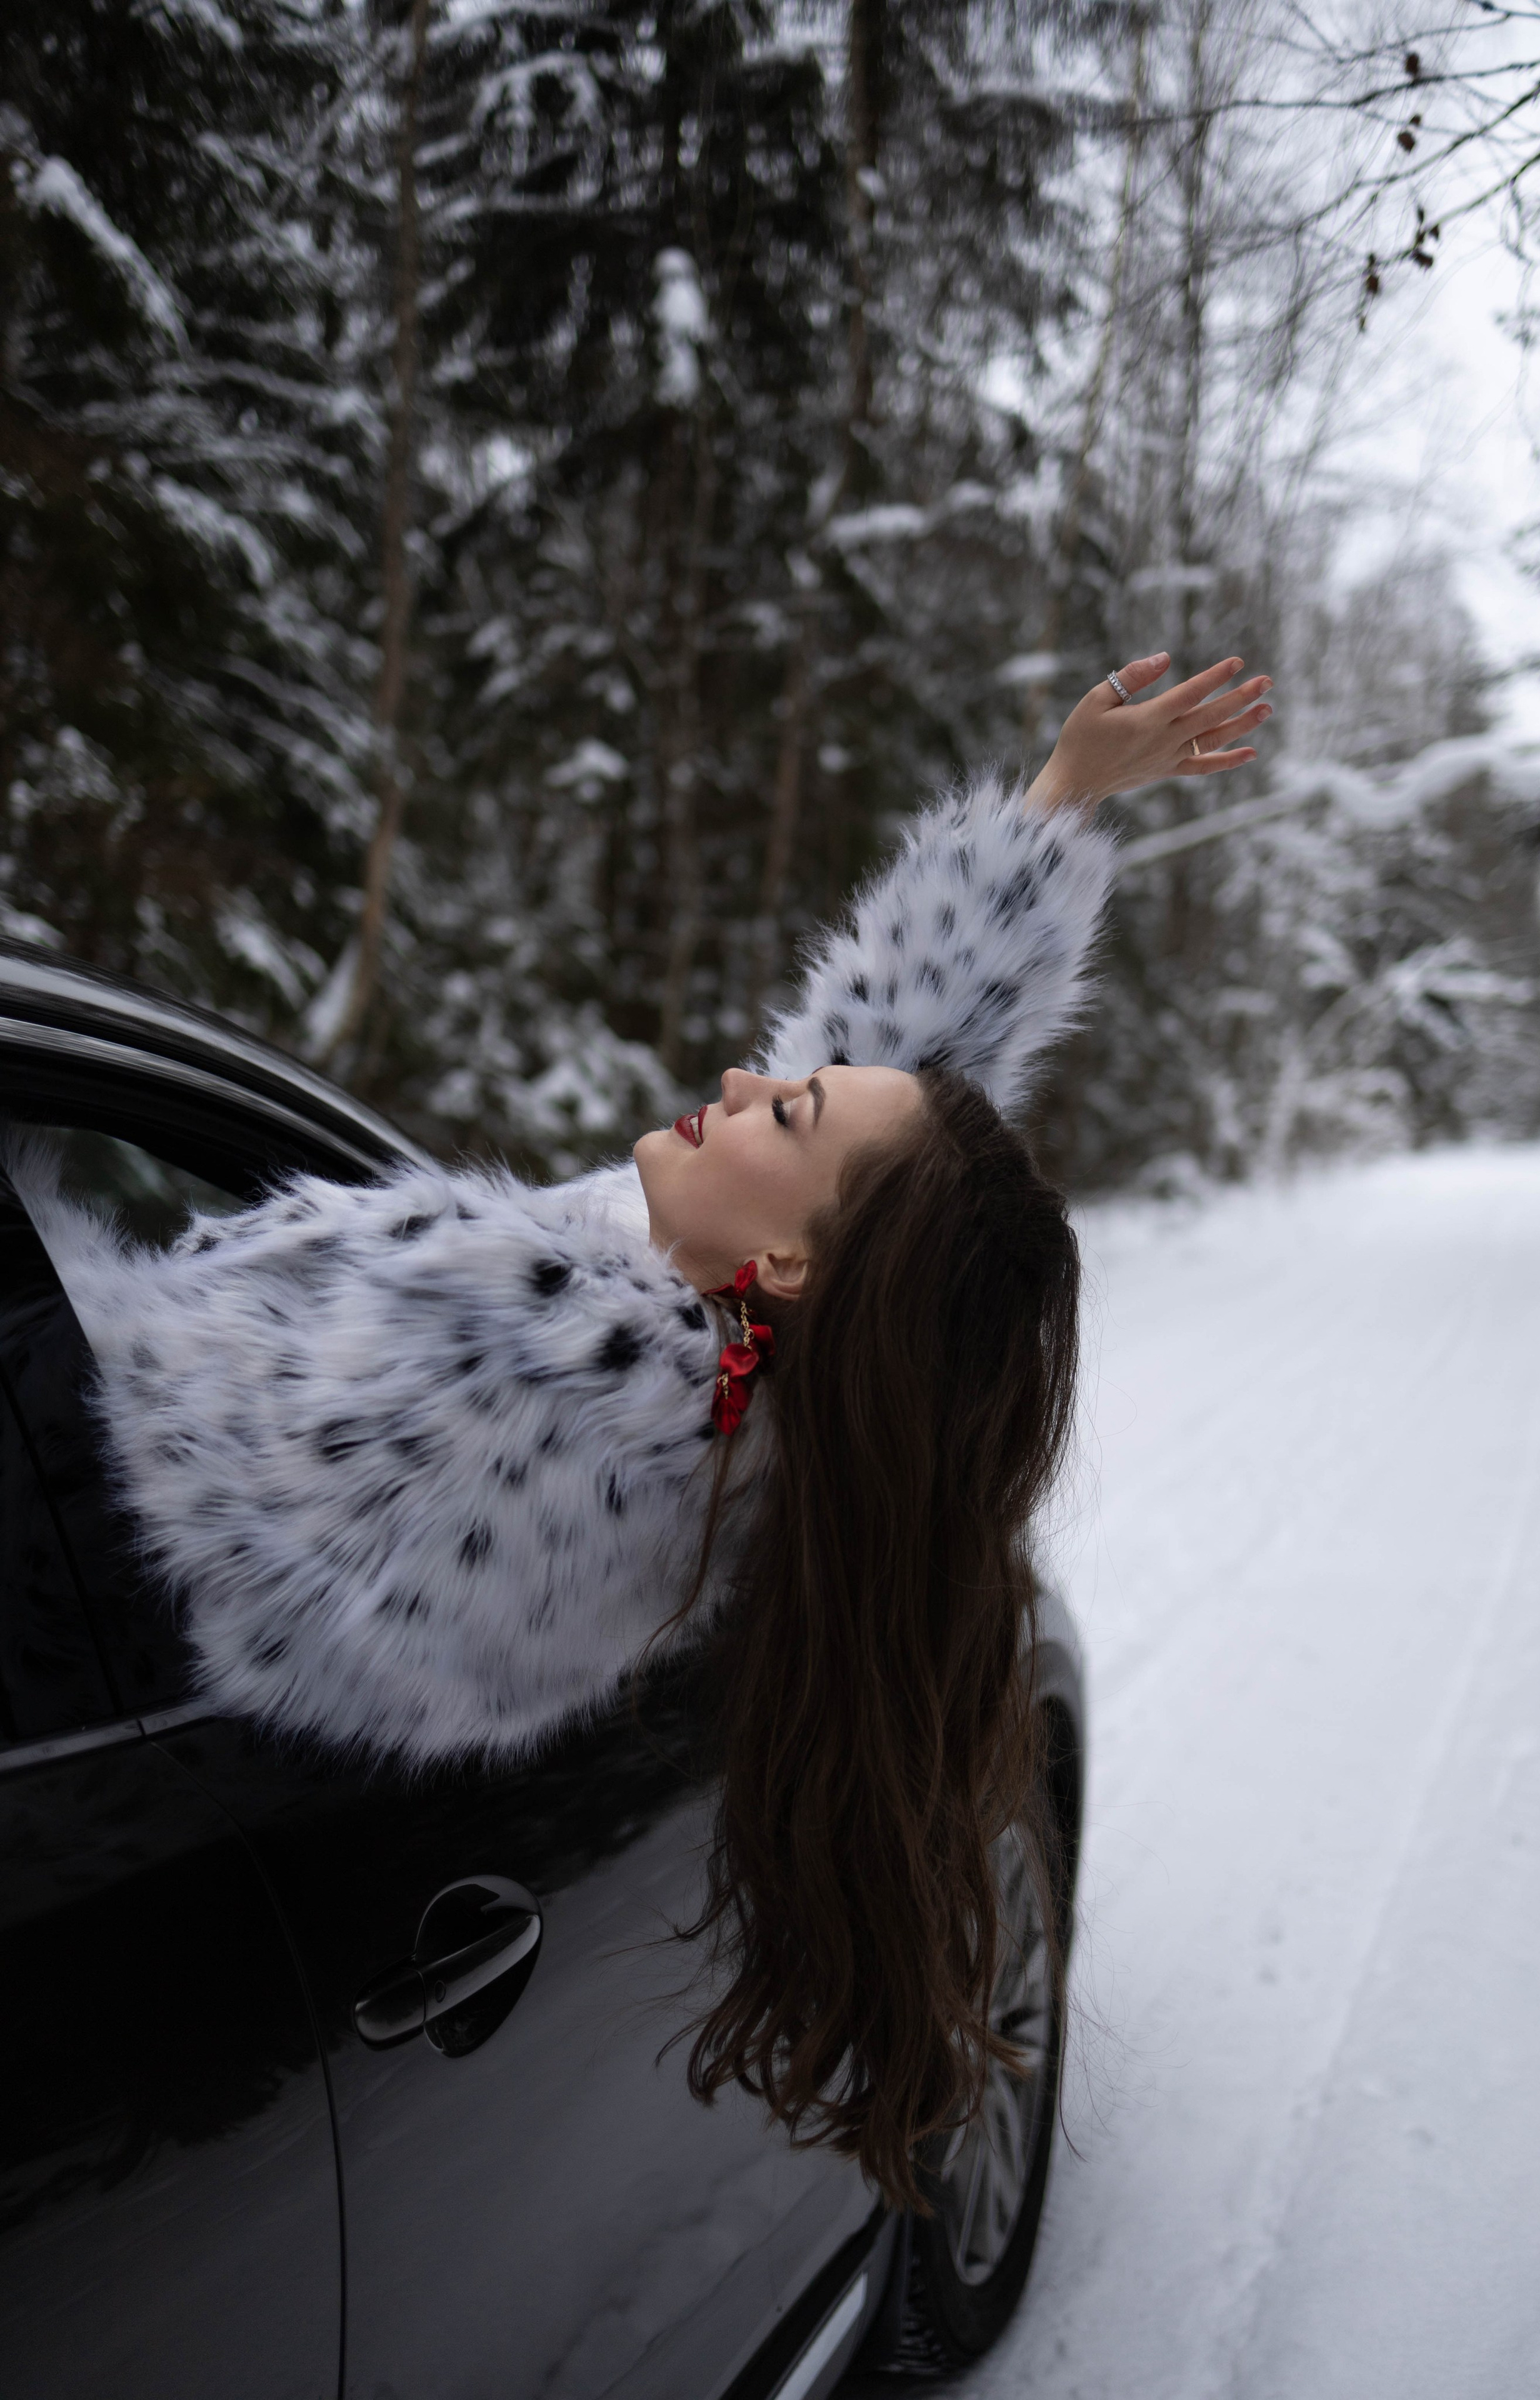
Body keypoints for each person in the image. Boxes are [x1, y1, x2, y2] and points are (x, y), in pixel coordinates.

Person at [42, 648, 1271, 2209]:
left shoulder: (541, 1380)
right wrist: (1054, 808)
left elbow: (88, 1384)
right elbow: (898, 1115)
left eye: (788, 1111)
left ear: (790, 1267)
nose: (751, 1075)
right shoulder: (736, 1377)